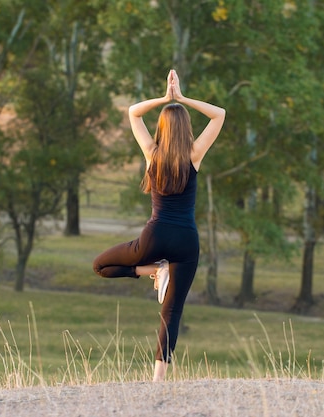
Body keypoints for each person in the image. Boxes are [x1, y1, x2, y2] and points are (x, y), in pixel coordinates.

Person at [92, 69, 225, 382]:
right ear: (186, 129)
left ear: (162, 128)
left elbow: (133, 112)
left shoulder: (152, 154)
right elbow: (219, 115)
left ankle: (151, 270)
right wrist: (182, 98)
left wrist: (166, 98)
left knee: (99, 266)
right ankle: (158, 381)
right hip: (187, 242)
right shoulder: (194, 155)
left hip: (154, 239)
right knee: (172, 313)